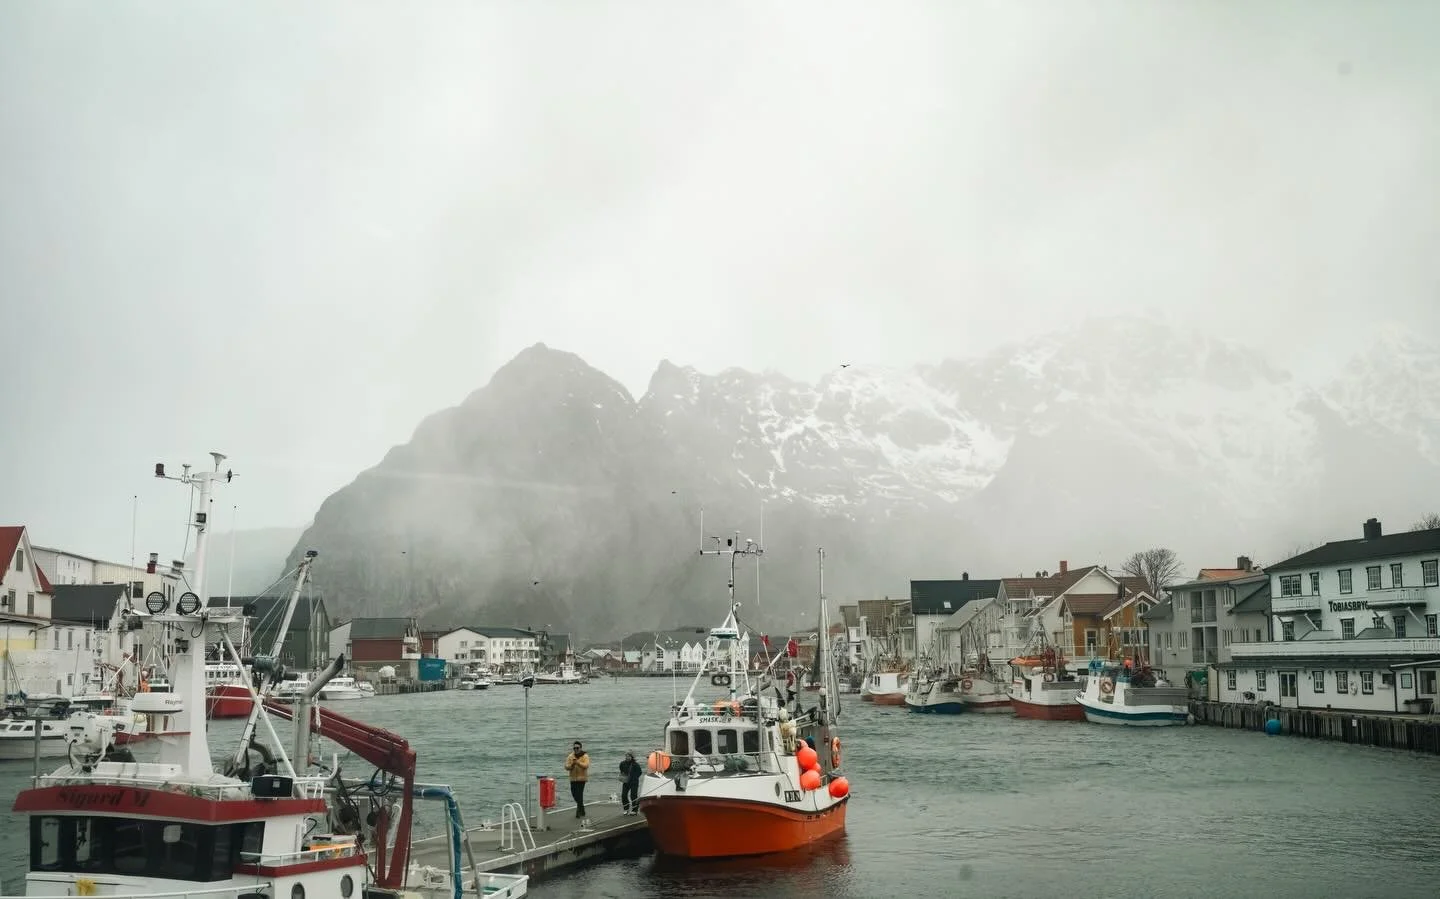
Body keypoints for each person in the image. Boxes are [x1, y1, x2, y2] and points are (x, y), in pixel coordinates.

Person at [564, 741, 590, 818]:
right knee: (574, 794)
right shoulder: (570, 756)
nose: (576, 749)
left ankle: (578, 812)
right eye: (574, 748)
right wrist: (572, 765)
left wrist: (577, 762)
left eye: (577, 748)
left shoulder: (585, 756)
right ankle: (582, 809)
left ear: (580, 748)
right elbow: (566, 766)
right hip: (573, 779)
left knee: (579, 795)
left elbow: (586, 765)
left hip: (581, 779)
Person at [618, 751, 642, 816]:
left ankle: (634, 810)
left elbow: (640, 772)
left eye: (629, 756)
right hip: (626, 782)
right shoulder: (622, 763)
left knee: (633, 796)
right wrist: (624, 776)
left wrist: (634, 778)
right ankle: (626, 808)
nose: (627, 757)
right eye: (626, 756)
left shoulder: (635, 764)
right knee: (624, 795)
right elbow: (621, 770)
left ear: (632, 757)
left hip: (634, 782)